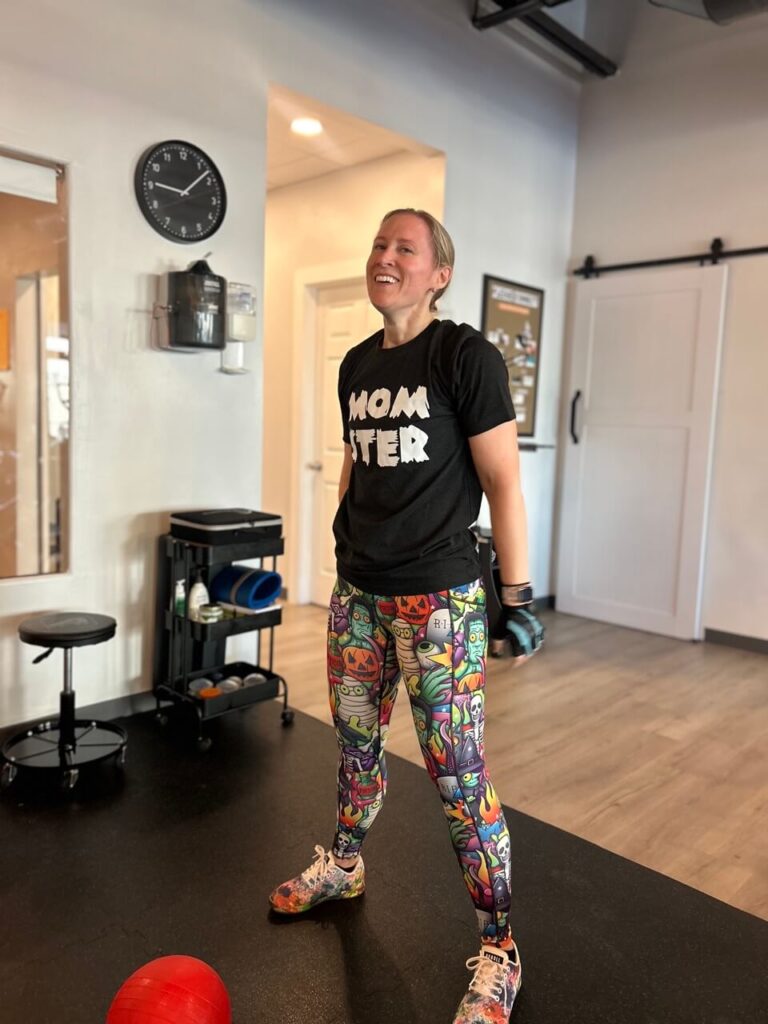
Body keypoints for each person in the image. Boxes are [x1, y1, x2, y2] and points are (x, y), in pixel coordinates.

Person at [269, 208, 544, 1023]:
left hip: (439, 604)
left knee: (459, 778)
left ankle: (500, 948)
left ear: (438, 274)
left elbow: (503, 482)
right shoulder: (357, 363)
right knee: (355, 747)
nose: (385, 257)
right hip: (359, 594)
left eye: (405, 249)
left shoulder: (466, 356)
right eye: (380, 245)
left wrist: (517, 598)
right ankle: (345, 864)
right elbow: (359, 456)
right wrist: (345, 528)